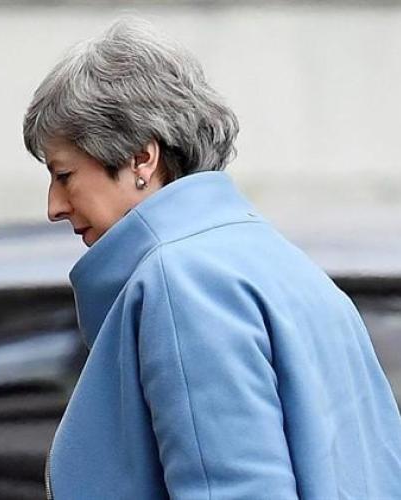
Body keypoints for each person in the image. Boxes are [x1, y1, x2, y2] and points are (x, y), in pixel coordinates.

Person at [22, 17, 401, 500]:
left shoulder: (183, 281)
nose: (54, 206)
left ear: (141, 158)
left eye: (64, 175)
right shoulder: (284, 265)